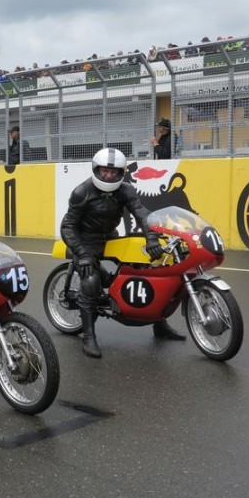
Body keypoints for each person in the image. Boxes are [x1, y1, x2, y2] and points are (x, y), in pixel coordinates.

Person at [60, 147, 185, 358]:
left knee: (147, 267)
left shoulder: (126, 189)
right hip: (84, 239)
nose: (108, 175)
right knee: (90, 281)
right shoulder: (82, 191)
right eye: (104, 171)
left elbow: (142, 214)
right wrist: (81, 254)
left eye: (114, 172)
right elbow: (67, 227)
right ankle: (89, 336)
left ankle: (159, 323)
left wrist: (152, 238)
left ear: (121, 173)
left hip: (111, 235)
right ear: (96, 170)